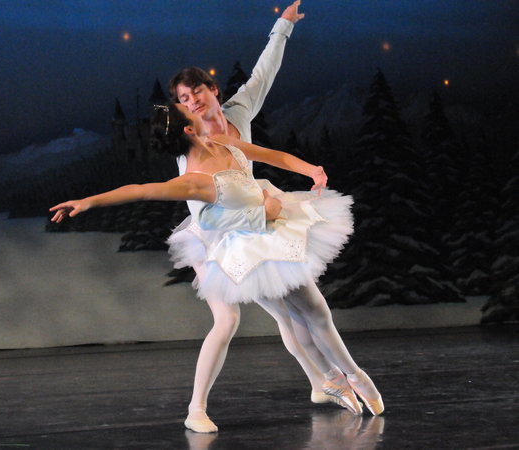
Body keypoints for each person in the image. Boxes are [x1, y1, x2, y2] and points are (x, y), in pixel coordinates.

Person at [50, 103, 384, 432]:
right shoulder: (193, 181)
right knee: (297, 313)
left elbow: (271, 156)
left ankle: (335, 378)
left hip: (274, 228)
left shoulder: (220, 141)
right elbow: (141, 191)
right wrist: (88, 202)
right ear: (188, 129)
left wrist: (311, 169)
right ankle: (349, 377)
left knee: (308, 313)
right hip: (247, 250)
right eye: (190, 112)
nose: (199, 111)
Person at [166, 1, 371, 432]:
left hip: (251, 216)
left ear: (213, 90)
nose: (193, 101)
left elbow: (263, 74)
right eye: (184, 99)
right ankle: (195, 409)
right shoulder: (192, 150)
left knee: (287, 314)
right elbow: (206, 216)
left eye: (197, 91)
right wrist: (259, 213)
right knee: (228, 320)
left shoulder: (237, 113)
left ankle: (320, 383)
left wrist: (283, 26)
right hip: (213, 235)